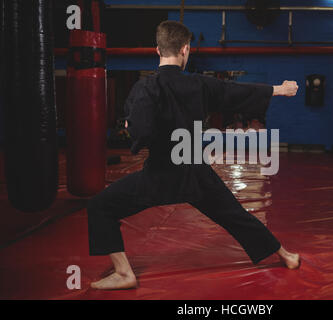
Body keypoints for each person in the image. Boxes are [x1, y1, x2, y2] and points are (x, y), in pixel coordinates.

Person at [88, 20, 300, 290]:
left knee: (100, 206)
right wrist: (279, 89)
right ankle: (286, 255)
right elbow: (235, 92)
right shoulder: (199, 85)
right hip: (194, 173)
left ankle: (123, 273)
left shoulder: (146, 88)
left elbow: (137, 128)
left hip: (159, 175)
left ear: (157, 50)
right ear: (185, 50)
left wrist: (132, 128)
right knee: (235, 215)